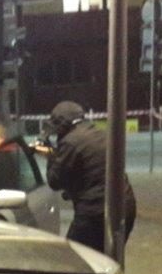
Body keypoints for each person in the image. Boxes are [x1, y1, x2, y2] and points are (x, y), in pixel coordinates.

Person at [33, 101, 136, 252]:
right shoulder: (98, 133)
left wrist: (49, 155)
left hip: (96, 211)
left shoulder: (70, 142)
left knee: (73, 256)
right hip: (125, 205)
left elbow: (54, 181)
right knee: (108, 256)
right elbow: (83, 168)